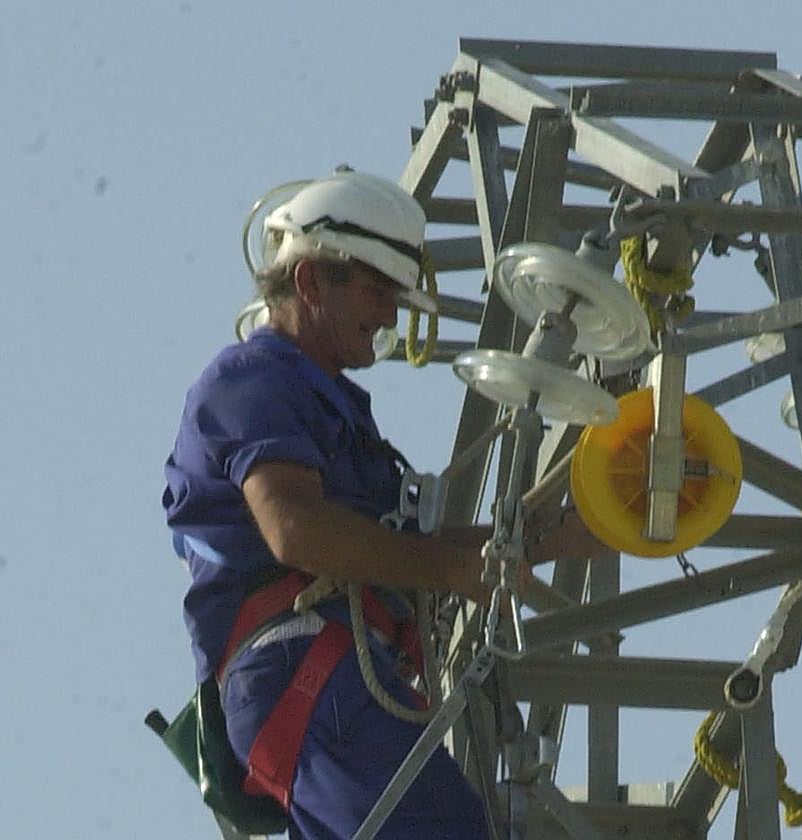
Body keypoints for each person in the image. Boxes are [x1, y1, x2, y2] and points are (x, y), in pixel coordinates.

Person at [163, 168, 584, 839]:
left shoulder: (326, 404)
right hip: (306, 674)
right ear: (309, 281)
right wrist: (449, 569)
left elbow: (402, 550)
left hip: (329, 683)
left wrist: (565, 532)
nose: (391, 312)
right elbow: (294, 529)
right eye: (377, 288)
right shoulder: (252, 381)